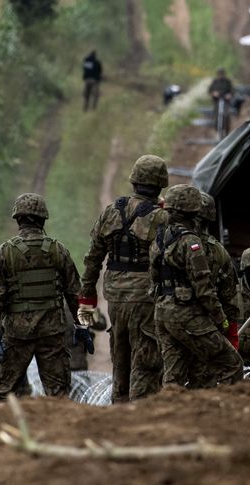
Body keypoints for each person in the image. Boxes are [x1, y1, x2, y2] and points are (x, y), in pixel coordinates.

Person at [78, 154, 168, 404]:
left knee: (120, 355)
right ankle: (139, 412)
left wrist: (87, 297)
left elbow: (93, 257)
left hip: (115, 298)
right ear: (161, 184)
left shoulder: (111, 212)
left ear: (134, 181)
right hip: (145, 298)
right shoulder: (161, 217)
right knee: (146, 359)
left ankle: (119, 406)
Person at [0, 193, 85, 399]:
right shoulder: (58, 250)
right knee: (58, 395)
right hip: (52, 332)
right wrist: (81, 324)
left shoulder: (5, 252)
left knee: (5, 394)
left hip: (16, 333)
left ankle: (2, 430)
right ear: (43, 219)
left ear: (18, 219)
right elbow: (75, 294)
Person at [150, 184, 243, 389]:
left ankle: (169, 415)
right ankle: (232, 415)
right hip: (191, 315)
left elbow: (154, 280)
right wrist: (223, 322)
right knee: (231, 364)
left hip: (163, 312)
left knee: (173, 376)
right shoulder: (196, 244)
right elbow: (206, 290)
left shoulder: (160, 238)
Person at [194, 192, 241, 385]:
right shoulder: (217, 251)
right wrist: (230, 329)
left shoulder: (169, 242)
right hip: (208, 324)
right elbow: (229, 295)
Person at [209, 68, 233, 134]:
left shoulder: (227, 82)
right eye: (219, 74)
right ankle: (217, 130)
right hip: (217, 101)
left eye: (222, 74)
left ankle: (226, 130)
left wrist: (229, 95)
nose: (220, 76)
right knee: (217, 115)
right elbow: (210, 90)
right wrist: (214, 93)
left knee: (226, 115)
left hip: (225, 101)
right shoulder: (215, 81)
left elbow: (232, 91)